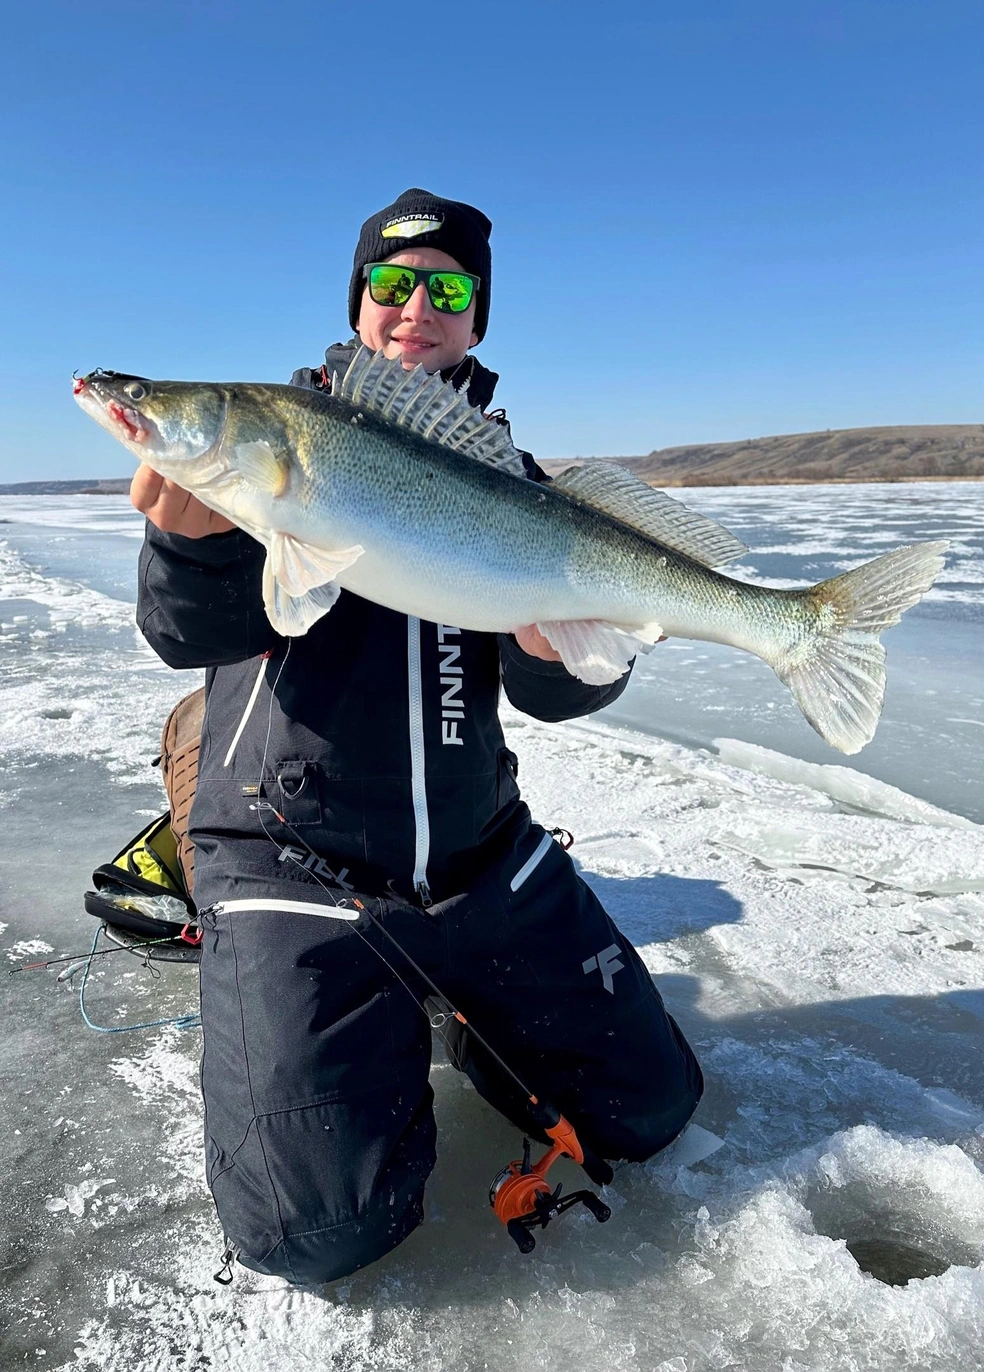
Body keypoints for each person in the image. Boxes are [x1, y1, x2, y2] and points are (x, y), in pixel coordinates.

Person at [132, 189, 703, 1285]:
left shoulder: (523, 487)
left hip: (474, 852)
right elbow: (185, 630)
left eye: (446, 290)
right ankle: (226, 840)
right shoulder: (273, 443)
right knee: (322, 1228)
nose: (414, 309)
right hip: (297, 861)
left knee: (649, 1108)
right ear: (357, 306)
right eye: (389, 285)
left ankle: (460, 1003)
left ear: (476, 321)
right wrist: (192, 547)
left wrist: (570, 654)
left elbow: (547, 699)